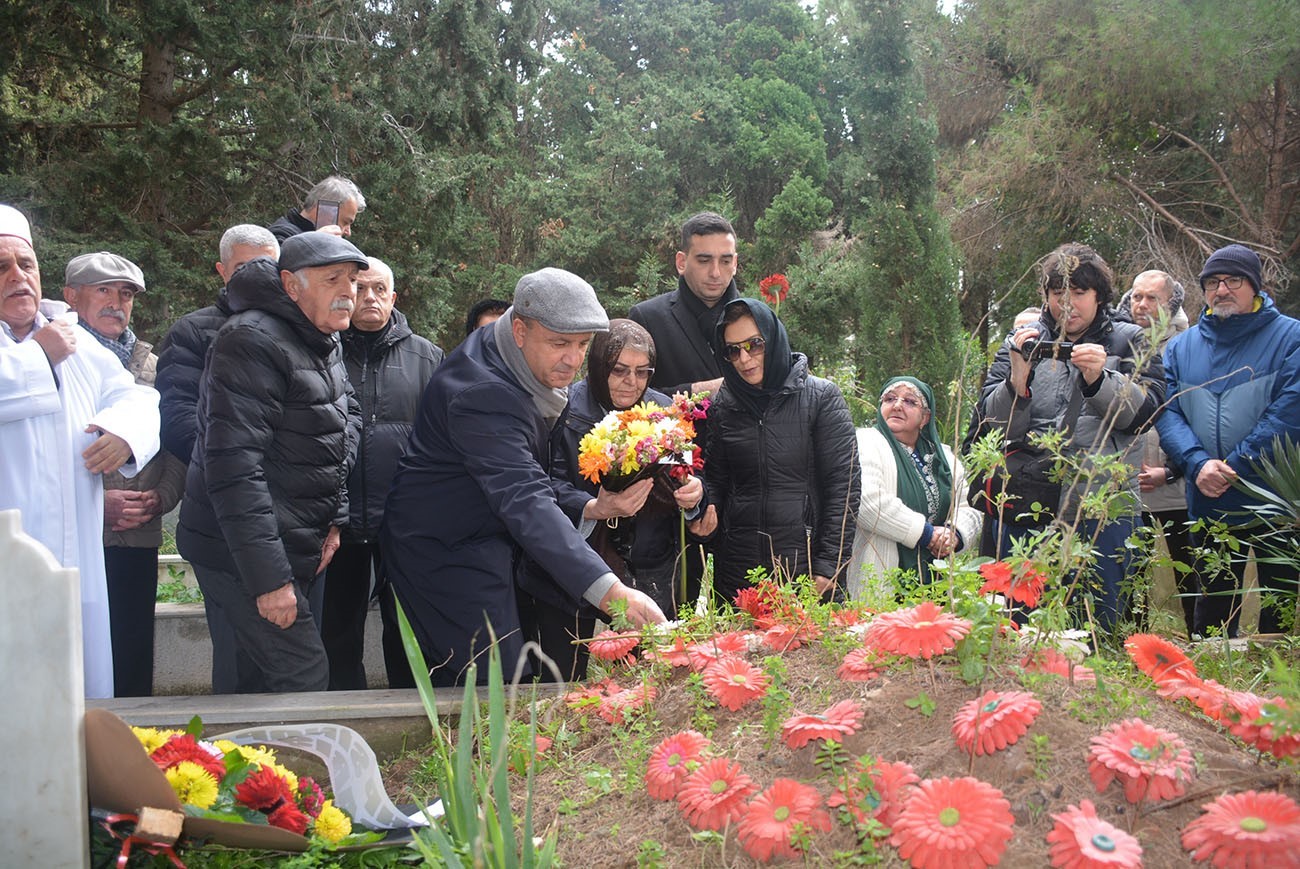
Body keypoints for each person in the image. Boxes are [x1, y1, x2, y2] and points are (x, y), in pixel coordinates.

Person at [382, 269, 668, 688]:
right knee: (488, 682)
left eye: (582, 345)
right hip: (446, 550)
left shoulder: (505, 352)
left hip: (486, 537)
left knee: (505, 677)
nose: (573, 360)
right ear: (519, 329)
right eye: (559, 343)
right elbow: (525, 498)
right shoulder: (483, 394)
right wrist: (611, 592)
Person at [176, 232, 365, 693]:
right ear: (291, 285)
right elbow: (234, 468)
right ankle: (264, 765)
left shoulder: (322, 337)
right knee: (297, 673)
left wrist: (333, 523)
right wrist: (269, 580)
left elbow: (342, 424)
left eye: (354, 281)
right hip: (239, 550)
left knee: (265, 677)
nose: (348, 292)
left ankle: (252, 765)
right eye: (332, 279)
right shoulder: (250, 340)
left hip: (295, 538)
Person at [0, 204, 160, 699]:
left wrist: (123, 432)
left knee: (77, 690)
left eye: (25, 264)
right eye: (1, 267)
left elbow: (136, 394)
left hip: (77, 560)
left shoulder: (75, 341)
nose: (17, 277)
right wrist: (38, 356)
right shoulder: (52, 343)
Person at [978, 243, 1164, 631]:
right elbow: (992, 429)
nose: (1068, 304)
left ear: (1099, 296)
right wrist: (1017, 378)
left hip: (1102, 508)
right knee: (1019, 619)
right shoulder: (1020, 341)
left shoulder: (1131, 341)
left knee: (1097, 622)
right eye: (1058, 294)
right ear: (1045, 296)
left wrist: (1101, 379)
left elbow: (1146, 417)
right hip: (1029, 501)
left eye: (1079, 293)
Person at [521, 320, 708, 680]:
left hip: (649, 567)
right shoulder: (561, 407)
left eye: (642, 372)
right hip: (571, 570)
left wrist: (695, 494)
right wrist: (594, 507)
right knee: (563, 682)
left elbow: (689, 472)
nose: (631, 382)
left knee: (645, 683)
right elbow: (538, 485)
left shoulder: (664, 412)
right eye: (619, 370)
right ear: (600, 366)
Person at [1156, 244, 1300, 637]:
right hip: (1209, 494)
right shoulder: (1182, 348)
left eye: (1233, 280)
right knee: (1213, 607)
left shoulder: (1291, 336)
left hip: (1277, 496)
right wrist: (1197, 462)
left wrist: (1235, 465)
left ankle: (1278, 695)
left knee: (1280, 604)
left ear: (1254, 286)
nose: (1222, 290)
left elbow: (1290, 413)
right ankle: (1207, 693)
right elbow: (1166, 411)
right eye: (1212, 282)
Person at [63, 251, 186, 696]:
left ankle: (134, 754)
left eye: (127, 293)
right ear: (70, 296)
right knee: (69, 652)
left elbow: (176, 444)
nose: (118, 301)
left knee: (131, 649)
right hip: (70, 537)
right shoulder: (48, 363)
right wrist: (96, 504)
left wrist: (160, 499)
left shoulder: (152, 367)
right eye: (104, 290)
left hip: (136, 533)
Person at [321, 257, 443, 690]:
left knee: (407, 629)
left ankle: (411, 717)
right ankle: (341, 716)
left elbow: (442, 439)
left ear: (394, 297)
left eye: (379, 289)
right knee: (337, 629)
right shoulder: (323, 349)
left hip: (404, 523)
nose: (369, 297)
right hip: (339, 521)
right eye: (360, 288)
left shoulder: (428, 358)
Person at [704, 297, 860, 605]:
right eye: (733, 350)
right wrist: (702, 509)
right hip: (738, 577)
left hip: (807, 573)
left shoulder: (820, 398)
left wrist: (830, 565)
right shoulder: (724, 405)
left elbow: (844, 487)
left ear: (773, 339)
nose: (745, 359)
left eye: (755, 344)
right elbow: (717, 482)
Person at [156, 224, 280, 465]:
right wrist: (233, 467)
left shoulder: (300, 329)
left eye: (267, 266)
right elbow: (177, 415)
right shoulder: (191, 332)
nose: (256, 276)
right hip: (218, 485)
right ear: (222, 271)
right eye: (242, 268)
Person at [849, 377, 981, 601]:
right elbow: (868, 502)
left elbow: (971, 505)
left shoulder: (944, 458)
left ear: (925, 418)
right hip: (882, 580)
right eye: (890, 399)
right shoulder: (866, 442)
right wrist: (927, 534)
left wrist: (954, 534)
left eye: (910, 401)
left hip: (935, 581)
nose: (897, 405)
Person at [1116, 270, 1197, 636]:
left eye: (1152, 298)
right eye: (1137, 297)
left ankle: (1203, 646)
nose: (1142, 305)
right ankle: (1131, 650)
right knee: (1131, 576)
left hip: (1181, 488)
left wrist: (1173, 470)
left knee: (1191, 573)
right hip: (1127, 488)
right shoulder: (1116, 342)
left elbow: (1196, 415)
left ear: (1171, 304)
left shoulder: (1189, 345)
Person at [628, 212, 740, 399]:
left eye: (725, 261)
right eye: (704, 261)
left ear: (735, 263)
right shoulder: (647, 319)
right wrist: (700, 391)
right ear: (681, 262)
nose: (715, 272)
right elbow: (628, 396)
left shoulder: (758, 317)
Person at [268, 175, 366, 242]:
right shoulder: (280, 235)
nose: (348, 232)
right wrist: (316, 241)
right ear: (325, 210)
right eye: (345, 222)